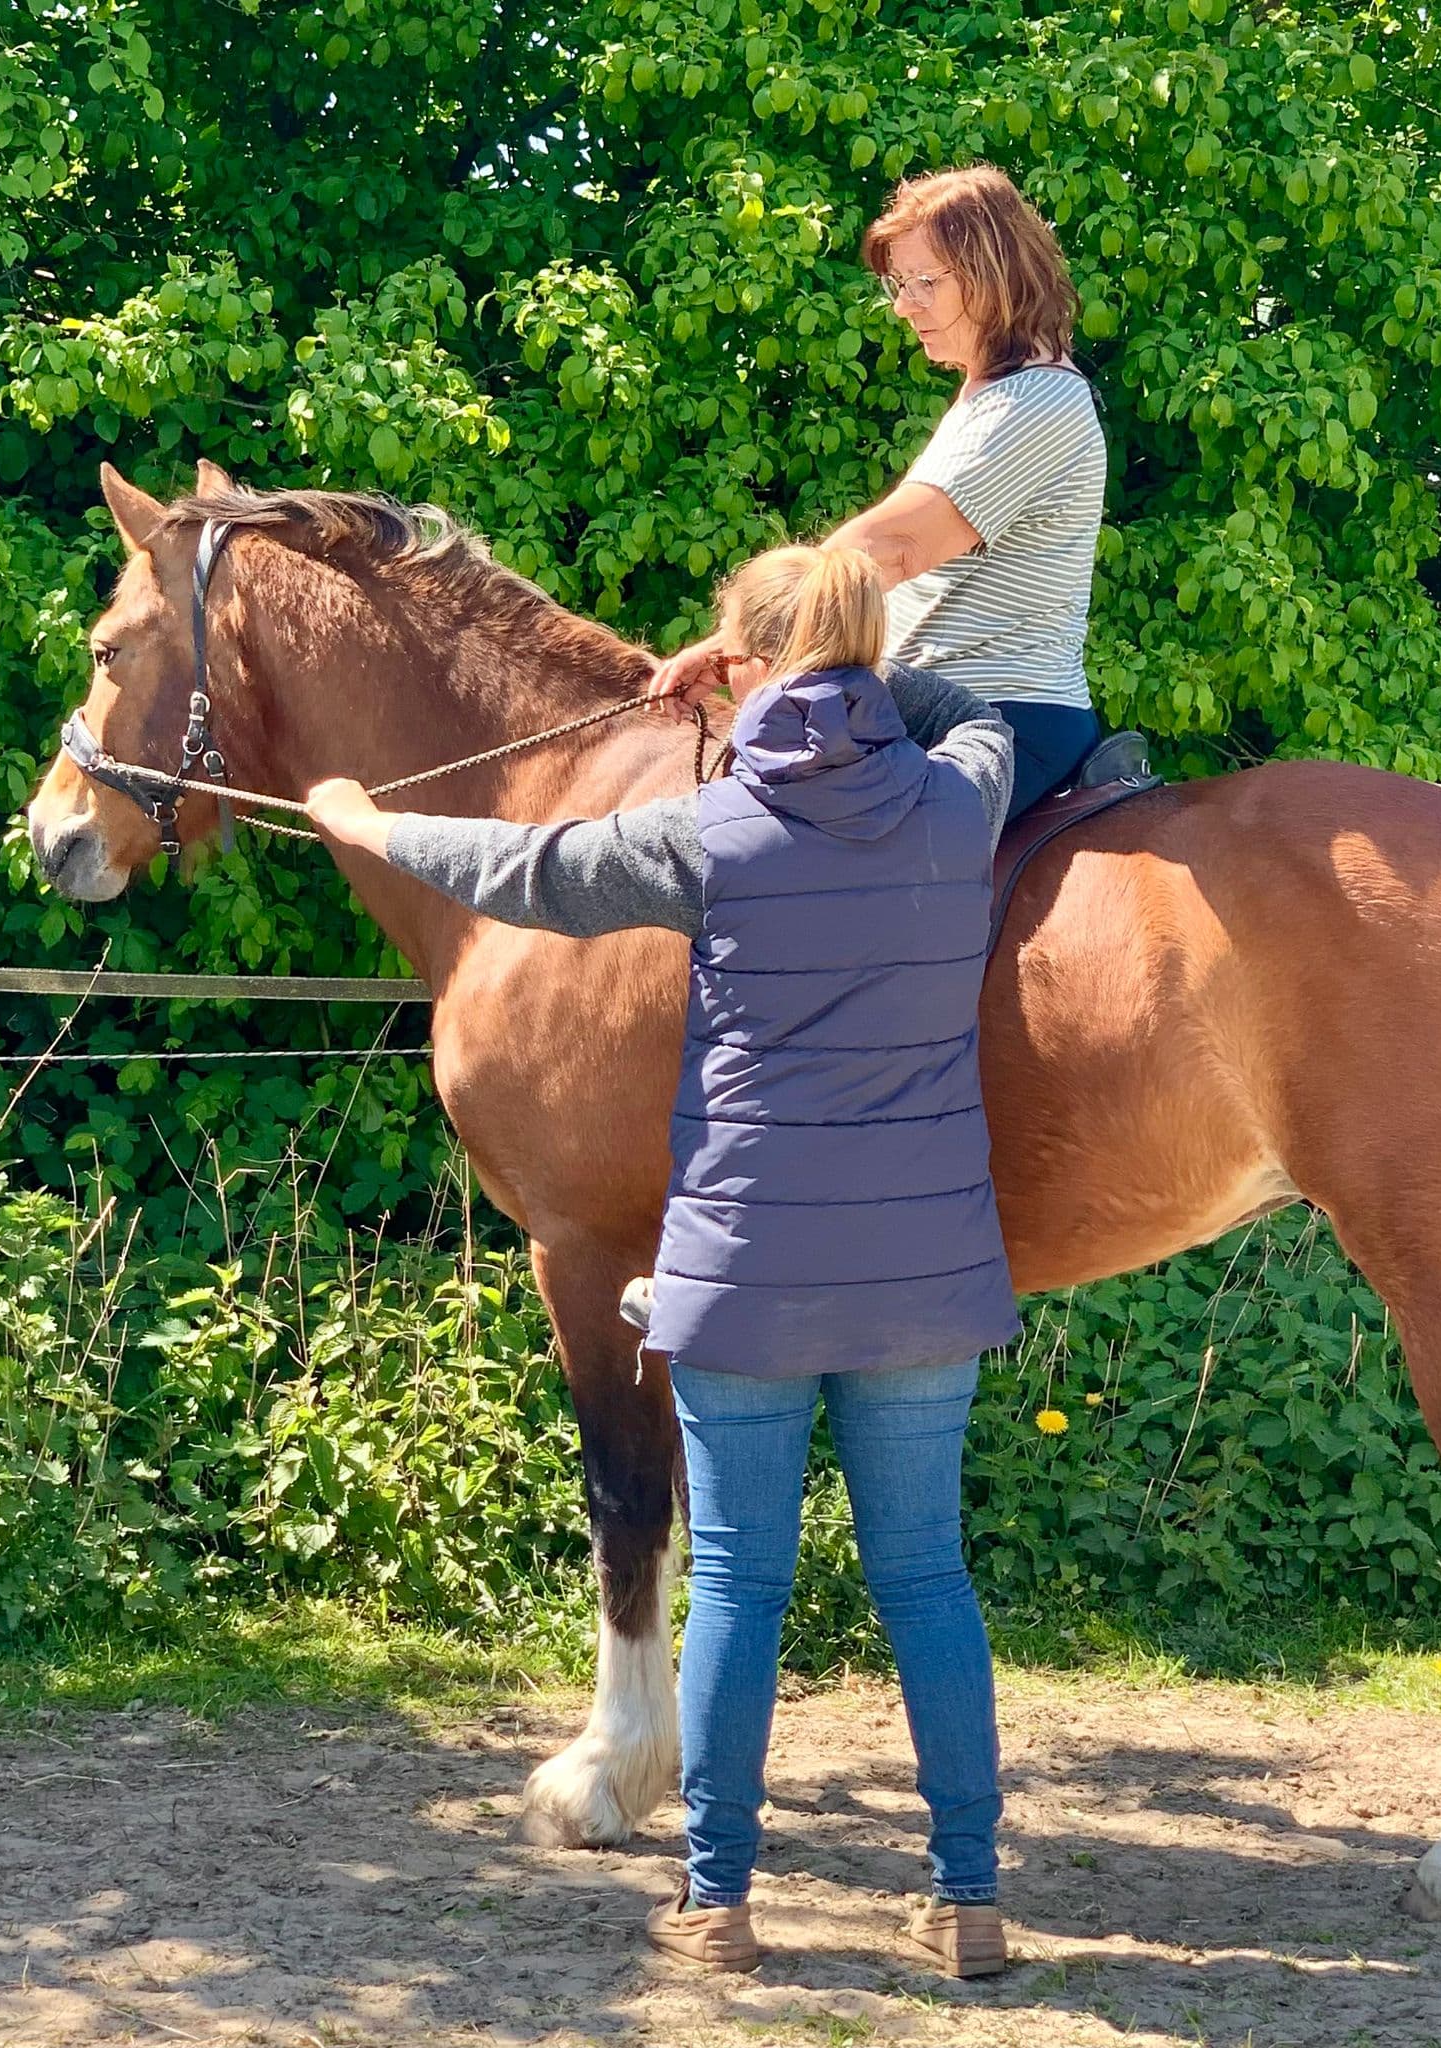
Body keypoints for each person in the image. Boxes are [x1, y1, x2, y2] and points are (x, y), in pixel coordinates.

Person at [305, 543, 1022, 1979]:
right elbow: (972, 711)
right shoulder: (966, 798)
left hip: (748, 1266)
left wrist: (368, 825)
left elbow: (526, 868)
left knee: (741, 1586)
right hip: (926, 1276)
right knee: (930, 1582)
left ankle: (721, 1906)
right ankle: (966, 1901)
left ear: (746, 665)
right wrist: (860, 664)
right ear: (863, 654)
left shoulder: (710, 831)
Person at [652, 164, 1107, 823]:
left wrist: (735, 638)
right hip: (938, 705)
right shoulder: (1000, 394)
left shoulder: (1035, 404)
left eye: (927, 281)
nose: (903, 304)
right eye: (900, 282)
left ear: (996, 276)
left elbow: (888, 550)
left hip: (993, 719)